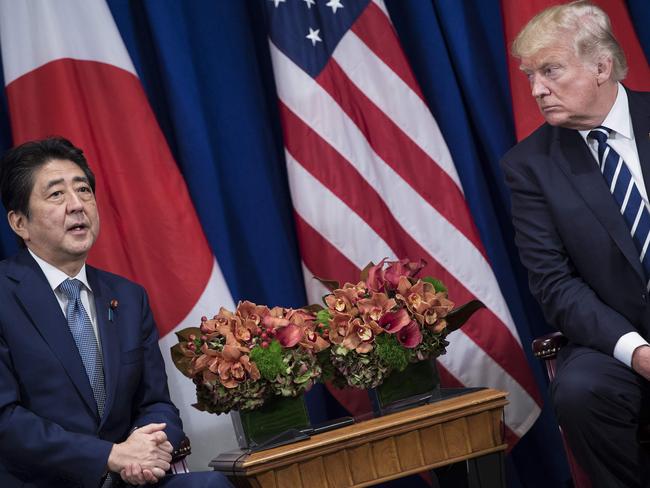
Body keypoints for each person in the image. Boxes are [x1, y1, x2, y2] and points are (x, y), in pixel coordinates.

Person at [0, 137, 232, 487]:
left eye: (84, 190)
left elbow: (157, 404)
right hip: (43, 480)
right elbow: (6, 420)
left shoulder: (127, 297)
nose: (77, 205)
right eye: (56, 195)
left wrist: (144, 449)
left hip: (128, 480)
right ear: (20, 224)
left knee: (212, 484)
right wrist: (109, 456)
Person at [501, 1, 650, 486]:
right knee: (580, 390)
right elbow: (554, 283)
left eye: (550, 70)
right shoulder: (530, 166)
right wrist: (638, 351)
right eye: (530, 75)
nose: (537, 89)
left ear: (602, 66)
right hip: (616, 337)